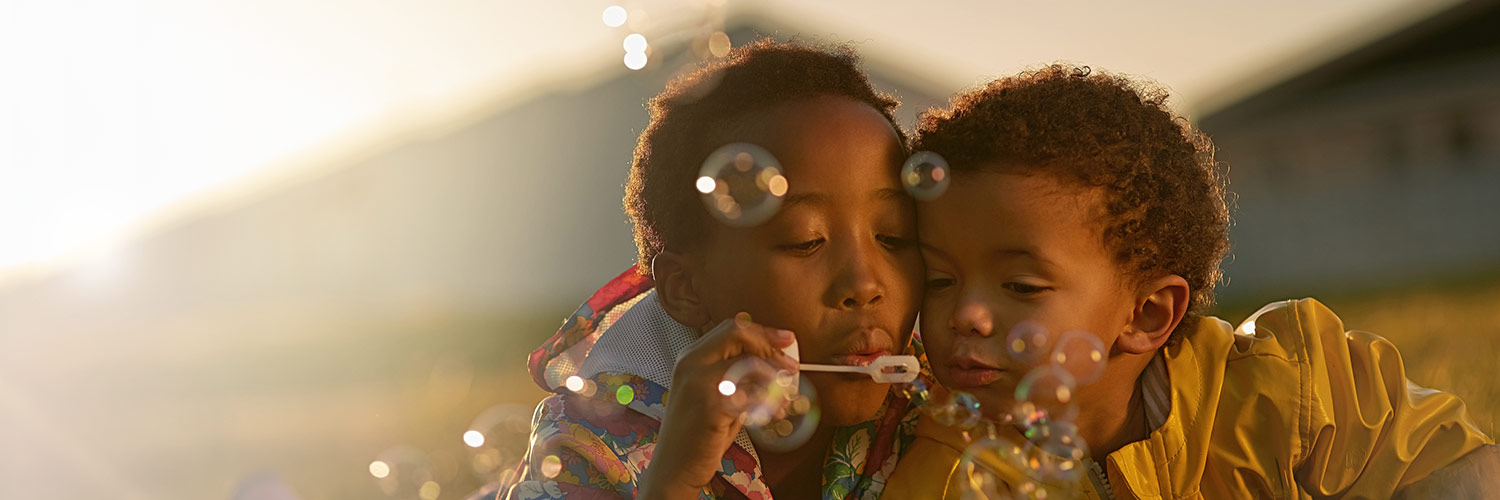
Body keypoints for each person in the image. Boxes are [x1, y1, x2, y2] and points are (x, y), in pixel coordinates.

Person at [884, 64, 1497, 499]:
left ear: (1148, 314)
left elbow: (1453, 473)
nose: (966, 315)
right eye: (940, 279)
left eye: (1020, 286)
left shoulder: (1295, 392)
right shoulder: (943, 476)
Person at [483, 38, 928, 500]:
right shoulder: (590, 448)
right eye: (806, 241)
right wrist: (671, 483)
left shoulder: (934, 401)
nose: (864, 284)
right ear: (686, 288)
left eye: (894, 236)